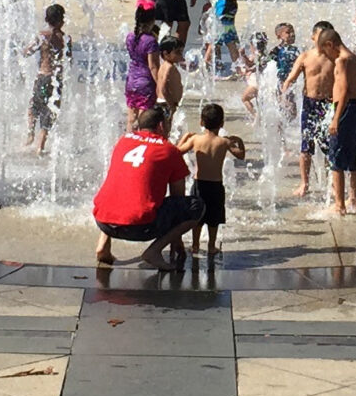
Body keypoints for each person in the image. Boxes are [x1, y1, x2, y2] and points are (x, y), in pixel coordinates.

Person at [92, 104, 205, 270]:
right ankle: (153, 251)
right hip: (139, 228)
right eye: (167, 124)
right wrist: (176, 240)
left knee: (119, 189)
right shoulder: (168, 150)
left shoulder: (123, 141)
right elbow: (177, 197)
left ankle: (103, 244)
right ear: (160, 125)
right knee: (196, 205)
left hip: (102, 221)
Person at [177, 102, 245, 258]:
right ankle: (211, 246)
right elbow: (241, 155)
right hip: (215, 185)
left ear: (201, 122)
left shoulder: (195, 140)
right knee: (214, 218)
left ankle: (194, 245)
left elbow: (176, 152)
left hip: (199, 184)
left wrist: (184, 137)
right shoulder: (224, 142)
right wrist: (239, 140)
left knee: (197, 217)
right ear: (222, 123)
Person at [289, 21, 339, 198]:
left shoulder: (334, 57)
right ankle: (304, 183)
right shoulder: (305, 56)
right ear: (313, 36)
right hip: (309, 105)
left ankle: (331, 183)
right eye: (320, 35)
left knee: (329, 146)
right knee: (306, 147)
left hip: (327, 105)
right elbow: (292, 77)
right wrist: (284, 90)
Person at [324, 26, 356, 215]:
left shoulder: (341, 61)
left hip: (345, 109)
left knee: (336, 158)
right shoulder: (355, 59)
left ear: (330, 44)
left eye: (324, 50)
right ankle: (354, 199)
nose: (326, 55)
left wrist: (335, 119)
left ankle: (340, 204)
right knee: (352, 156)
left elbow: (342, 92)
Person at [27, 3, 68, 154]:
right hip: (55, 80)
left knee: (34, 107)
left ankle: (30, 134)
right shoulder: (64, 38)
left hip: (41, 77)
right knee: (49, 112)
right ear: (61, 21)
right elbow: (68, 59)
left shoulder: (42, 36)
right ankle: (41, 145)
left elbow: (27, 52)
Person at [245, 22, 301, 121]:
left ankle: (285, 129)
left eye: (293, 32)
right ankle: (280, 130)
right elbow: (264, 63)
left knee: (292, 112)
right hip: (280, 83)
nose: (292, 34)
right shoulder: (276, 51)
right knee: (283, 107)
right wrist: (252, 69)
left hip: (291, 83)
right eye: (288, 32)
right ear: (279, 36)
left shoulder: (296, 50)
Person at [123, 0, 163, 114]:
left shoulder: (130, 37)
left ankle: (129, 132)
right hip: (145, 82)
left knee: (131, 117)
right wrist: (160, 86)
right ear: (152, 20)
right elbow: (153, 67)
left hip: (131, 80)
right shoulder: (150, 41)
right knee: (144, 118)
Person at [155, 37, 186, 118]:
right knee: (167, 127)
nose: (180, 55)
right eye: (177, 52)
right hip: (166, 103)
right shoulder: (169, 67)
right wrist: (171, 104)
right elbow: (163, 88)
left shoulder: (163, 66)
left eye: (181, 52)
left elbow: (158, 87)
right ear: (166, 54)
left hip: (163, 101)